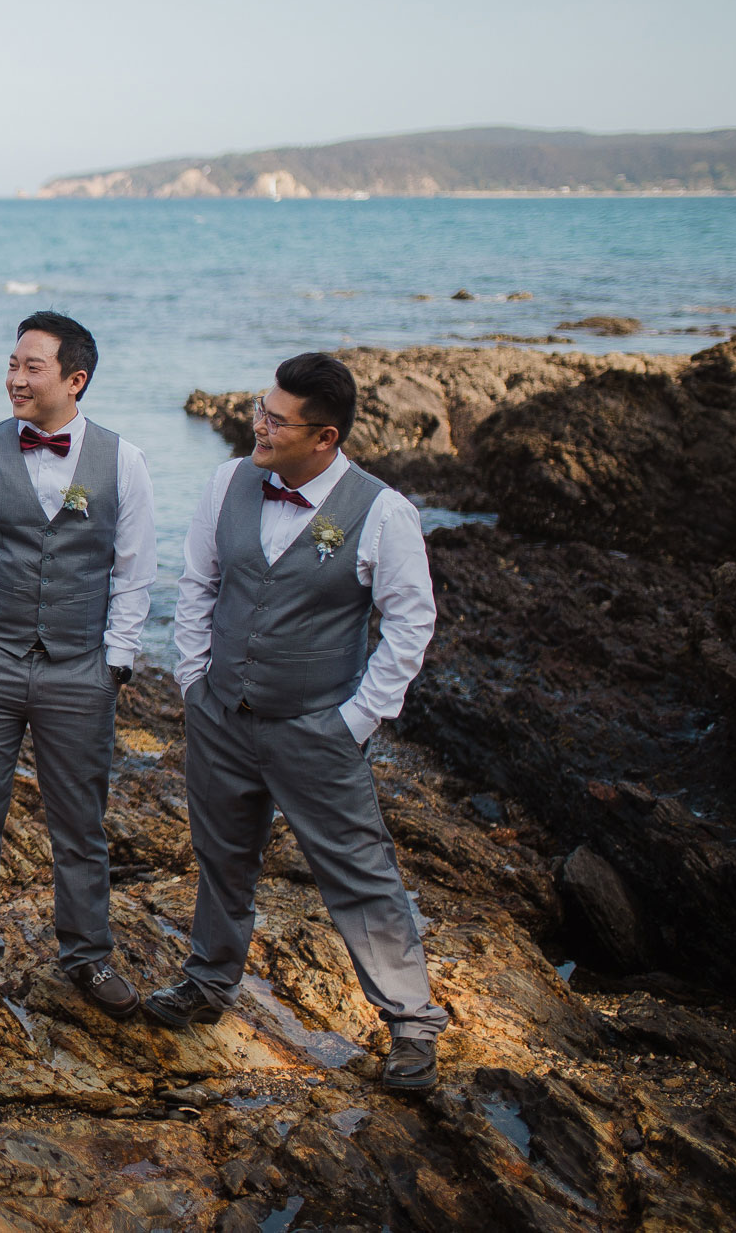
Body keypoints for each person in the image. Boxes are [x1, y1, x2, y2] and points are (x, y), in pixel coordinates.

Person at [150, 351, 447, 1093]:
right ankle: (208, 982)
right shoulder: (228, 481)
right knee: (221, 857)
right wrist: (193, 678)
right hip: (221, 716)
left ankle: (411, 1023)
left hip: (316, 729)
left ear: (325, 437)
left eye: (276, 419)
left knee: (359, 870)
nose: (258, 424)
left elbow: (410, 624)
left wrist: (354, 720)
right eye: (261, 407)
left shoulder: (382, 511)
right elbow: (200, 583)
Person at [0, 312, 157, 1013]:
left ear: (74, 379)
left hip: (79, 671)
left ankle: (87, 954)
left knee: (80, 820)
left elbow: (136, 570)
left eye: (32, 367)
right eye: (12, 363)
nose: (15, 378)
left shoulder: (124, 461)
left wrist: (113, 663)